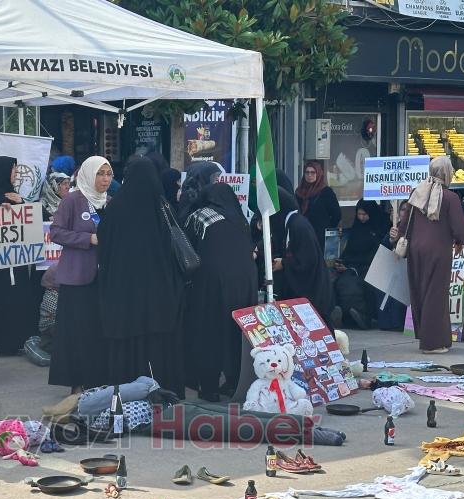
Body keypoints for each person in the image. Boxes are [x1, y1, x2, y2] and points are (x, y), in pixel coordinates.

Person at [98, 157, 185, 397]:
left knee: (128, 344)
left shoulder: (115, 209)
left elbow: (103, 248)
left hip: (123, 291)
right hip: (159, 292)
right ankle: (167, 391)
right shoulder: (162, 207)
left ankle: (127, 392)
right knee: (161, 344)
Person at [184, 183, 258, 401]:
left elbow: (186, 250)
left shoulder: (199, 217)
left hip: (211, 286)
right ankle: (234, 382)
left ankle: (209, 387)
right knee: (236, 333)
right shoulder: (240, 218)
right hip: (245, 284)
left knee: (209, 332)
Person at [48, 156, 112, 392]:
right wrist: (87, 239)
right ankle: (76, 382)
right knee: (77, 332)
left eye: (108, 173)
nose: (105, 179)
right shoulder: (73, 200)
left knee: (97, 331)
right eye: (100, 173)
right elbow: (56, 232)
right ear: (88, 174)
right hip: (77, 278)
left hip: (103, 279)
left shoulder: (109, 202)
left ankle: (97, 380)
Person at [398, 156, 464, 353]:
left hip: (416, 249)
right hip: (438, 250)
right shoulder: (451, 198)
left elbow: (405, 222)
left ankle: (437, 337)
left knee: (420, 292)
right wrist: (461, 242)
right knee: (435, 295)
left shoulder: (417, 192)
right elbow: (460, 228)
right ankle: (432, 343)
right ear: (446, 173)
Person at [0, 156, 37, 358]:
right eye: (13, 170)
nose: (16, 174)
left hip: (13, 259)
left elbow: (32, 216)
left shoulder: (12, 194)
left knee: (15, 299)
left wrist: (21, 203)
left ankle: (12, 341)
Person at [272, 187, 334, 330]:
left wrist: (285, 263)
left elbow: (308, 260)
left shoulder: (298, 226)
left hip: (314, 292)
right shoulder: (293, 223)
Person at [334, 200, 387, 330]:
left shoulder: (378, 229)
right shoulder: (357, 228)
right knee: (337, 281)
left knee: (362, 283)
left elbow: (374, 254)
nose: (361, 217)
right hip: (352, 266)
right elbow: (350, 250)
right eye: (359, 214)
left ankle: (365, 316)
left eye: (365, 214)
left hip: (368, 267)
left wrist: (353, 267)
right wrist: (342, 262)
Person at [377, 201, 409, 331]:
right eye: (402, 210)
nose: (404, 213)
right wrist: (391, 239)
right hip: (392, 270)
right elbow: (383, 249)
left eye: (408, 210)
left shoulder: (417, 228)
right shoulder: (396, 228)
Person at [295, 161, 341, 250]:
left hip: (320, 237)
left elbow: (337, 214)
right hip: (303, 235)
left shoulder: (326, 192)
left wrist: (326, 229)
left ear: (318, 174)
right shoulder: (299, 192)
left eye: (313, 172)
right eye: (307, 172)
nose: (309, 175)